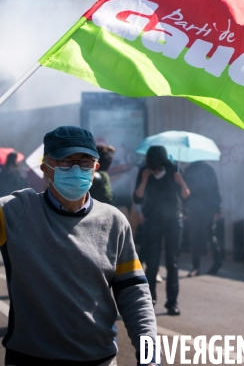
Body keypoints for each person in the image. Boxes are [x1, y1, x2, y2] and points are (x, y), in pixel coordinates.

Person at [0, 126, 157, 366]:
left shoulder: (114, 222)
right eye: (65, 162)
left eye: (85, 162)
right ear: (45, 168)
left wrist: (150, 358)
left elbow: (135, 293)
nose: (76, 169)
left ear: (96, 168)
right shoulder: (13, 212)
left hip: (98, 360)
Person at [133, 146, 190, 316]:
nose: (156, 170)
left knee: (172, 262)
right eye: (153, 167)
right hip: (153, 221)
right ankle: (150, 301)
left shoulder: (175, 171)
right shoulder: (145, 172)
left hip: (173, 221)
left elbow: (186, 196)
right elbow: (137, 197)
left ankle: (172, 303)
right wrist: (144, 179)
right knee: (152, 263)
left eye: (158, 167)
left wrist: (181, 182)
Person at [184, 160, 223, 276]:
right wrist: (185, 208)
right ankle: (196, 267)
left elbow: (216, 189)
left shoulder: (209, 169)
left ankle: (217, 262)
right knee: (194, 236)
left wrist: (217, 208)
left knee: (210, 234)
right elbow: (185, 191)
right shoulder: (188, 170)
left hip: (208, 207)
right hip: (194, 208)